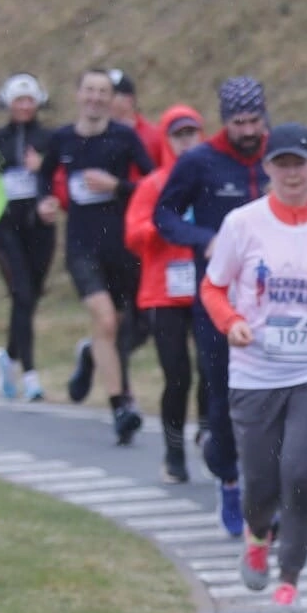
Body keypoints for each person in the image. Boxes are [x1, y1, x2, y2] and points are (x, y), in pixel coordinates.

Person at [200, 123, 307, 613]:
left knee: (300, 471)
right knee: (261, 482)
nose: (292, 173)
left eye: (300, 163)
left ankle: (289, 577)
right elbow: (212, 287)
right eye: (282, 164)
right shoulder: (242, 224)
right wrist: (231, 322)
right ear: (267, 168)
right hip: (256, 370)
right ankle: (256, 534)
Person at [156, 76, 270, 535]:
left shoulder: (278, 157)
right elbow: (164, 215)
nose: (248, 131)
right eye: (239, 123)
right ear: (225, 122)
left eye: (254, 121)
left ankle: (266, 490)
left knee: (273, 395)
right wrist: (204, 238)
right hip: (217, 297)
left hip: (273, 298)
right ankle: (228, 478)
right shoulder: (200, 162)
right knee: (223, 392)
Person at [36, 68, 153, 442]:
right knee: (105, 320)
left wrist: (117, 186)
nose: (96, 98)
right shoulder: (62, 139)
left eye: (103, 92)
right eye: (90, 90)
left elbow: (153, 183)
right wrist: (44, 201)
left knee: (129, 327)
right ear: (78, 95)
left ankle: (91, 357)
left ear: (111, 99)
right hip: (82, 248)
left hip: (122, 247)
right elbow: (43, 177)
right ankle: (120, 406)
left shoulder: (124, 137)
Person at [125, 105, 207, 482]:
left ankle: (208, 431)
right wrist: (162, 226)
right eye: (178, 135)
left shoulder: (210, 180)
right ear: (166, 140)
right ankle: (173, 453)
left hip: (207, 289)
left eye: (191, 133)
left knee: (212, 368)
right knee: (177, 377)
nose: (186, 141)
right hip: (163, 292)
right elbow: (132, 235)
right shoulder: (154, 185)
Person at [0, 72, 56, 401]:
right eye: (19, 100)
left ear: (38, 102)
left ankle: (8, 358)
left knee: (30, 297)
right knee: (21, 294)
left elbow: (61, 173)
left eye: (29, 100)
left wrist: (42, 167)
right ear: (7, 103)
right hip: (4, 227)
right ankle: (30, 376)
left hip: (40, 227)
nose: (24, 106)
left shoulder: (49, 138)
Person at [109, 70, 170, 170]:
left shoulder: (155, 136)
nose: (103, 100)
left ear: (129, 99)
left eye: (111, 95)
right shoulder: (97, 136)